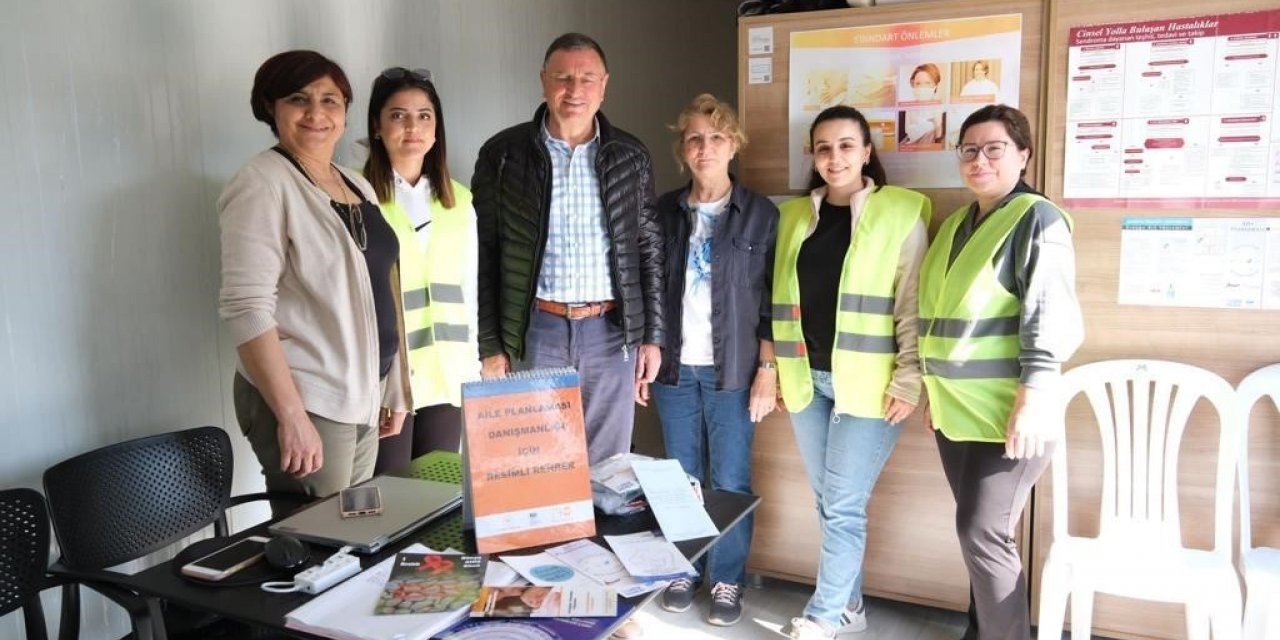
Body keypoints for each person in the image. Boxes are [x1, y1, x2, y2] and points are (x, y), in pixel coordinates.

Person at [219, 50, 410, 516]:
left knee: (353, 530)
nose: (316, 113)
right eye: (298, 99)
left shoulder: (355, 184)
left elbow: (381, 285)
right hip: (309, 399)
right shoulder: (262, 184)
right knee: (315, 537)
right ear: (271, 107)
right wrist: (291, 415)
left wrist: (394, 387)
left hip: (360, 394)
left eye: (330, 100)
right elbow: (247, 309)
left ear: (345, 110)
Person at [918, 104, 1083, 640]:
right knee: (981, 536)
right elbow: (939, 316)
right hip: (956, 412)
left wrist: (1032, 398)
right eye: (969, 150)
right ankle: (982, 630)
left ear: (1023, 155)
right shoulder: (955, 226)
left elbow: (1048, 312)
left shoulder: (1037, 218)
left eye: (994, 149)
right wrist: (932, 390)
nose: (979, 160)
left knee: (981, 531)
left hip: (1012, 412)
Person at [471, 32, 664, 466]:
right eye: (562, 78)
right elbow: (483, 254)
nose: (574, 90)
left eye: (587, 78)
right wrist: (490, 344)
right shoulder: (503, 155)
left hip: (610, 332)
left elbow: (649, 249)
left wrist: (652, 337)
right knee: (540, 465)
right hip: (536, 331)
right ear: (543, 81)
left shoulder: (630, 156)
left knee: (609, 466)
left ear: (604, 85)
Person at [777, 105, 930, 640]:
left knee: (842, 506)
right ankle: (850, 607)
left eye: (846, 145)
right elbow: (780, 302)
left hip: (871, 389)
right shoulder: (794, 218)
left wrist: (909, 379)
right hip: (807, 381)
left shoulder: (900, 214)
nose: (834, 157)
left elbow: (912, 306)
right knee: (829, 503)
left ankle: (822, 616)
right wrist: (775, 372)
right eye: (823, 147)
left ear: (867, 152)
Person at [639, 94, 778, 627]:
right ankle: (684, 568)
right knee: (681, 477)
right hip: (674, 369)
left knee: (731, 480)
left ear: (734, 145)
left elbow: (772, 301)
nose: (705, 147)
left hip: (733, 371)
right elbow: (648, 290)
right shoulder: (662, 212)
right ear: (682, 148)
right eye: (694, 138)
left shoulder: (761, 214)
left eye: (717, 137)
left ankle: (726, 578)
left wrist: (767, 369)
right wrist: (642, 354)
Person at [363, 67, 479, 474]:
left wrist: (473, 370)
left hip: (447, 374)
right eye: (398, 115)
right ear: (376, 126)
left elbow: (470, 289)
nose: (413, 127)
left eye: (424, 116)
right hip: (388, 377)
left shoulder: (459, 199)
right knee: (389, 492)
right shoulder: (359, 196)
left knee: (437, 493)